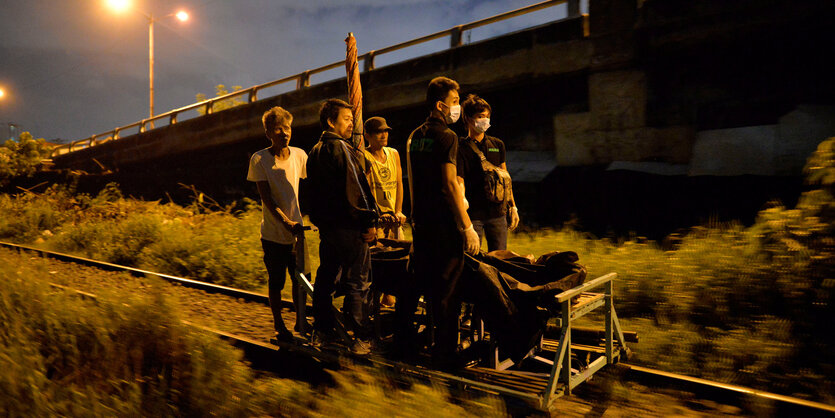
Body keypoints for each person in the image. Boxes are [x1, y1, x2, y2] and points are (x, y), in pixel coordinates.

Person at [402, 76, 480, 367]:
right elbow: (449, 184)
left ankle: (406, 344)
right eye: (455, 102)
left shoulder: (415, 136)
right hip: (444, 228)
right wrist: (467, 225)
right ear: (440, 105)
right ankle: (445, 355)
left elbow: (414, 180)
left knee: (418, 285)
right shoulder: (448, 137)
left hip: (421, 224)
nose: (457, 108)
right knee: (447, 292)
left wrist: (414, 217)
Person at [306, 98, 379, 355]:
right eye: (347, 119)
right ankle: (362, 338)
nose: (351, 124)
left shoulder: (314, 151)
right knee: (358, 282)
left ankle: (323, 331)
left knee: (326, 280)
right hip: (350, 229)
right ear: (331, 121)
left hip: (328, 230)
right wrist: (370, 220)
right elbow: (357, 191)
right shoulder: (342, 149)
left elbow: (310, 196)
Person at [246, 106, 308, 343]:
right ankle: (278, 322)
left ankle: (300, 320)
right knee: (276, 281)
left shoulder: (300, 156)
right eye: (278, 129)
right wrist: (285, 221)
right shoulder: (259, 159)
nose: (285, 133)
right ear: (269, 133)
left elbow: (307, 189)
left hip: (297, 232)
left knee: (299, 279)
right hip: (273, 234)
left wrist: (298, 223)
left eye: (288, 128)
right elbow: (266, 197)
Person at [457, 94, 520, 252]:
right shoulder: (460, 147)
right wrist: (462, 210)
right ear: (468, 118)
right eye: (480, 116)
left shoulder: (497, 144)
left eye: (487, 116)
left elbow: (505, 178)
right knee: (473, 259)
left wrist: (513, 207)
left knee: (500, 258)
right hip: (473, 215)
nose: (485, 120)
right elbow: (459, 181)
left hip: (498, 214)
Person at [363, 116, 407, 240]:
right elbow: (366, 190)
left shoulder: (393, 153)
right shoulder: (364, 157)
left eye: (386, 131)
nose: (384, 135)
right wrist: (374, 216)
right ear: (367, 136)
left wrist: (398, 210)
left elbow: (399, 184)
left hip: (394, 218)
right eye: (378, 132)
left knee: (400, 253)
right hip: (378, 219)